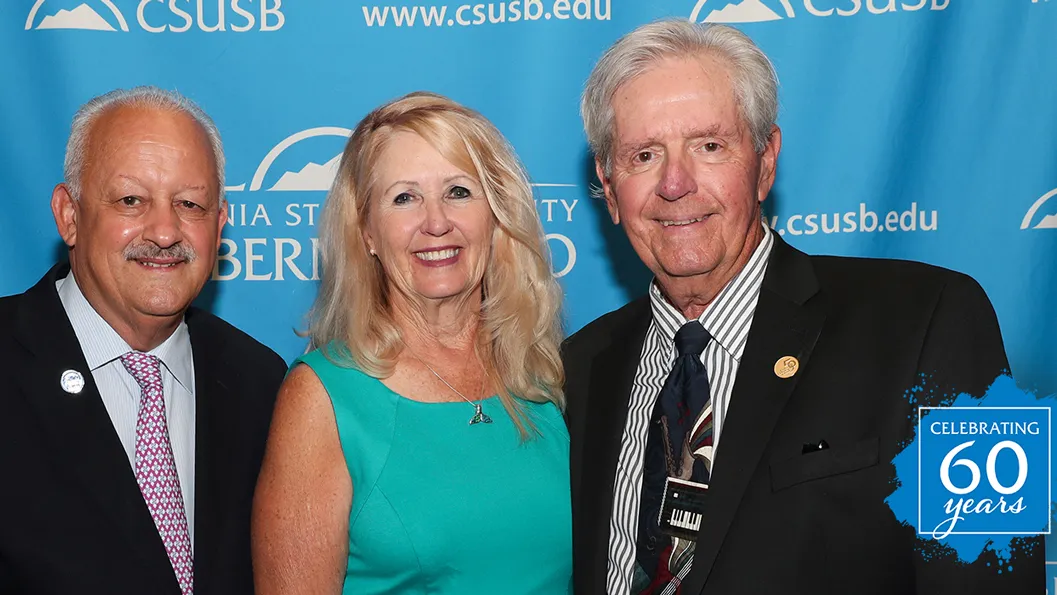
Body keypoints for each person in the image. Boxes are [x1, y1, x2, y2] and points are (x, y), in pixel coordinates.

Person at [562, 19, 1042, 595]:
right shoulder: (578, 369)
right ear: (610, 187)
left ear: (765, 160)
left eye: (710, 146)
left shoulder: (935, 318)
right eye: (643, 155)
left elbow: (995, 571)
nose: (674, 184)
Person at [251, 91, 572, 594]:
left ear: (496, 215)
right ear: (367, 233)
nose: (436, 222)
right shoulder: (324, 399)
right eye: (404, 197)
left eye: (459, 192)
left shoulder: (548, 373)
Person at [0, 86, 286, 595]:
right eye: (131, 200)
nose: (164, 231)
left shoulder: (259, 382)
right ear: (69, 215)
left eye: (190, 204)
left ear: (219, 225)